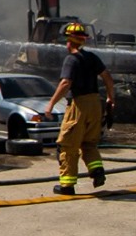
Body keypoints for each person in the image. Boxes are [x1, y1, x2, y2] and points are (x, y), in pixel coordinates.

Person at [44, 22, 113, 195]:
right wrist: (111, 97)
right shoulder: (92, 57)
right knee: (89, 142)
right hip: (95, 104)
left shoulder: (71, 59)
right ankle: (97, 172)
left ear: (68, 41)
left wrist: (51, 104)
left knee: (67, 145)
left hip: (79, 105)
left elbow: (66, 82)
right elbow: (107, 76)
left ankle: (67, 186)